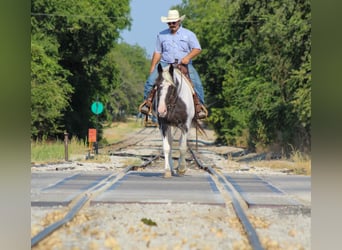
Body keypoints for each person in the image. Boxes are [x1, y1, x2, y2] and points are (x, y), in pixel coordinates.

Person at [139, 9, 207, 119]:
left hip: (184, 64)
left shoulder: (188, 34)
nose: (172, 24)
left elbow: (197, 48)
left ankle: (199, 107)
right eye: (169, 23)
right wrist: (152, 67)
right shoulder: (161, 35)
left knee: (196, 83)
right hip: (165, 63)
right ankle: (147, 104)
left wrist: (187, 57)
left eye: (174, 22)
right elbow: (157, 52)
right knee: (150, 81)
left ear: (179, 21)